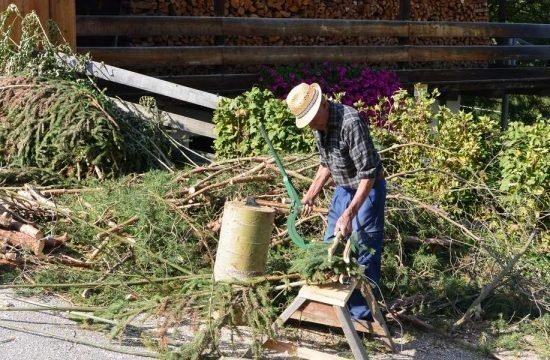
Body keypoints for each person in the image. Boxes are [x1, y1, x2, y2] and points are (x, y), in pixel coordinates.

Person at [285, 82, 386, 321]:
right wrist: (311, 193)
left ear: (322, 105)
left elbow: (368, 173)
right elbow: (326, 164)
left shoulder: (350, 123)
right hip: (343, 188)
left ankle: (362, 315)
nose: (310, 125)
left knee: (364, 249)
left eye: (311, 118)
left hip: (368, 189)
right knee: (330, 244)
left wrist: (350, 214)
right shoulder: (318, 125)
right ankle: (332, 307)